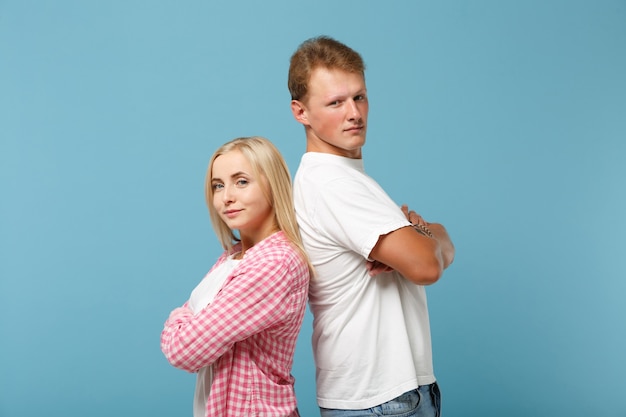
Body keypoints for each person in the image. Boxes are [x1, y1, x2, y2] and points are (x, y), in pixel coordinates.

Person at [288, 36, 455, 416]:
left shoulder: (348, 179)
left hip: (387, 394)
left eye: (359, 97)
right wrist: (424, 238)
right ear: (301, 112)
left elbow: (439, 251)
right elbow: (429, 265)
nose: (354, 113)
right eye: (335, 102)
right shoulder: (335, 184)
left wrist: (424, 237)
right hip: (379, 398)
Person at [160, 136, 311, 417]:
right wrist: (189, 318)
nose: (226, 196)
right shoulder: (235, 255)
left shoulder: (274, 263)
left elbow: (183, 350)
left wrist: (181, 318)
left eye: (241, 181)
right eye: (218, 185)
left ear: (273, 184)